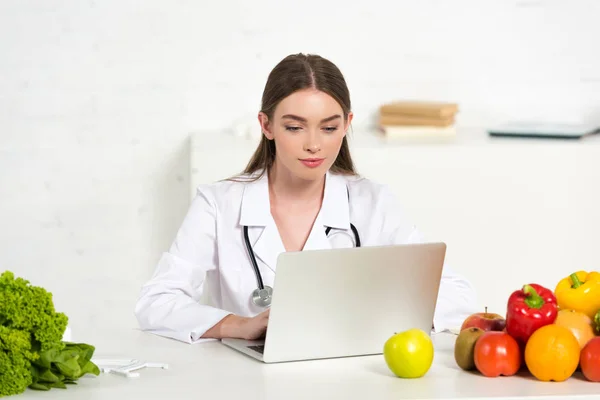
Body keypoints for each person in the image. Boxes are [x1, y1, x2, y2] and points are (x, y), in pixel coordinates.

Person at [134, 53, 478, 344]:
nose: (313, 144)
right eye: (295, 127)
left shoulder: (372, 202)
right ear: (266, 126)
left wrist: (365, 314)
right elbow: (156, 302)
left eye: (329, 128)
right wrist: (238, 325)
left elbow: (457, 295)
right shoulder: (217, 204)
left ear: (347, 125)